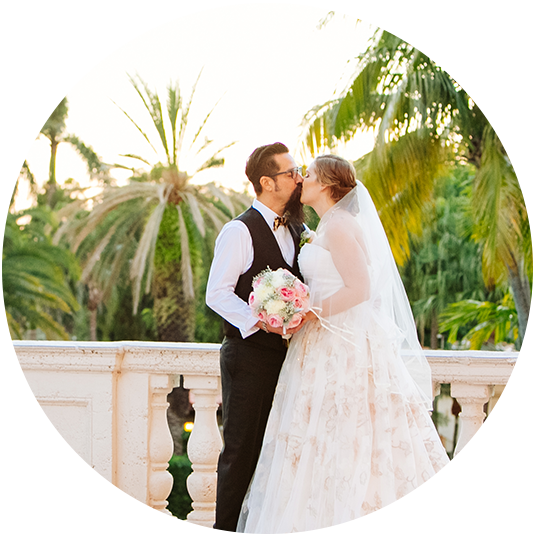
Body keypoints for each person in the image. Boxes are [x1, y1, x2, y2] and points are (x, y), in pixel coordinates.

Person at [236, 155, 455, 534]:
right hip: (320, 341)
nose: (301, 180)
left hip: (342, 343)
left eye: (309, 175)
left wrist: (308, 313)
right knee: (316, 438)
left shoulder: (338, 226)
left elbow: (360, 289)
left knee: (346, 435)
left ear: (325, 185)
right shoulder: (327, 225)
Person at [206, 142, 309, 534]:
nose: (299, 179)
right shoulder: (239, 230)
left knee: (279, 457)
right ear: (267, 182)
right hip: (248, 358)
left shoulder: (299, 230)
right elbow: (217, 292)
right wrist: (259, 321)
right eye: (291, 173)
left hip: (291, 360)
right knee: (240, 455)